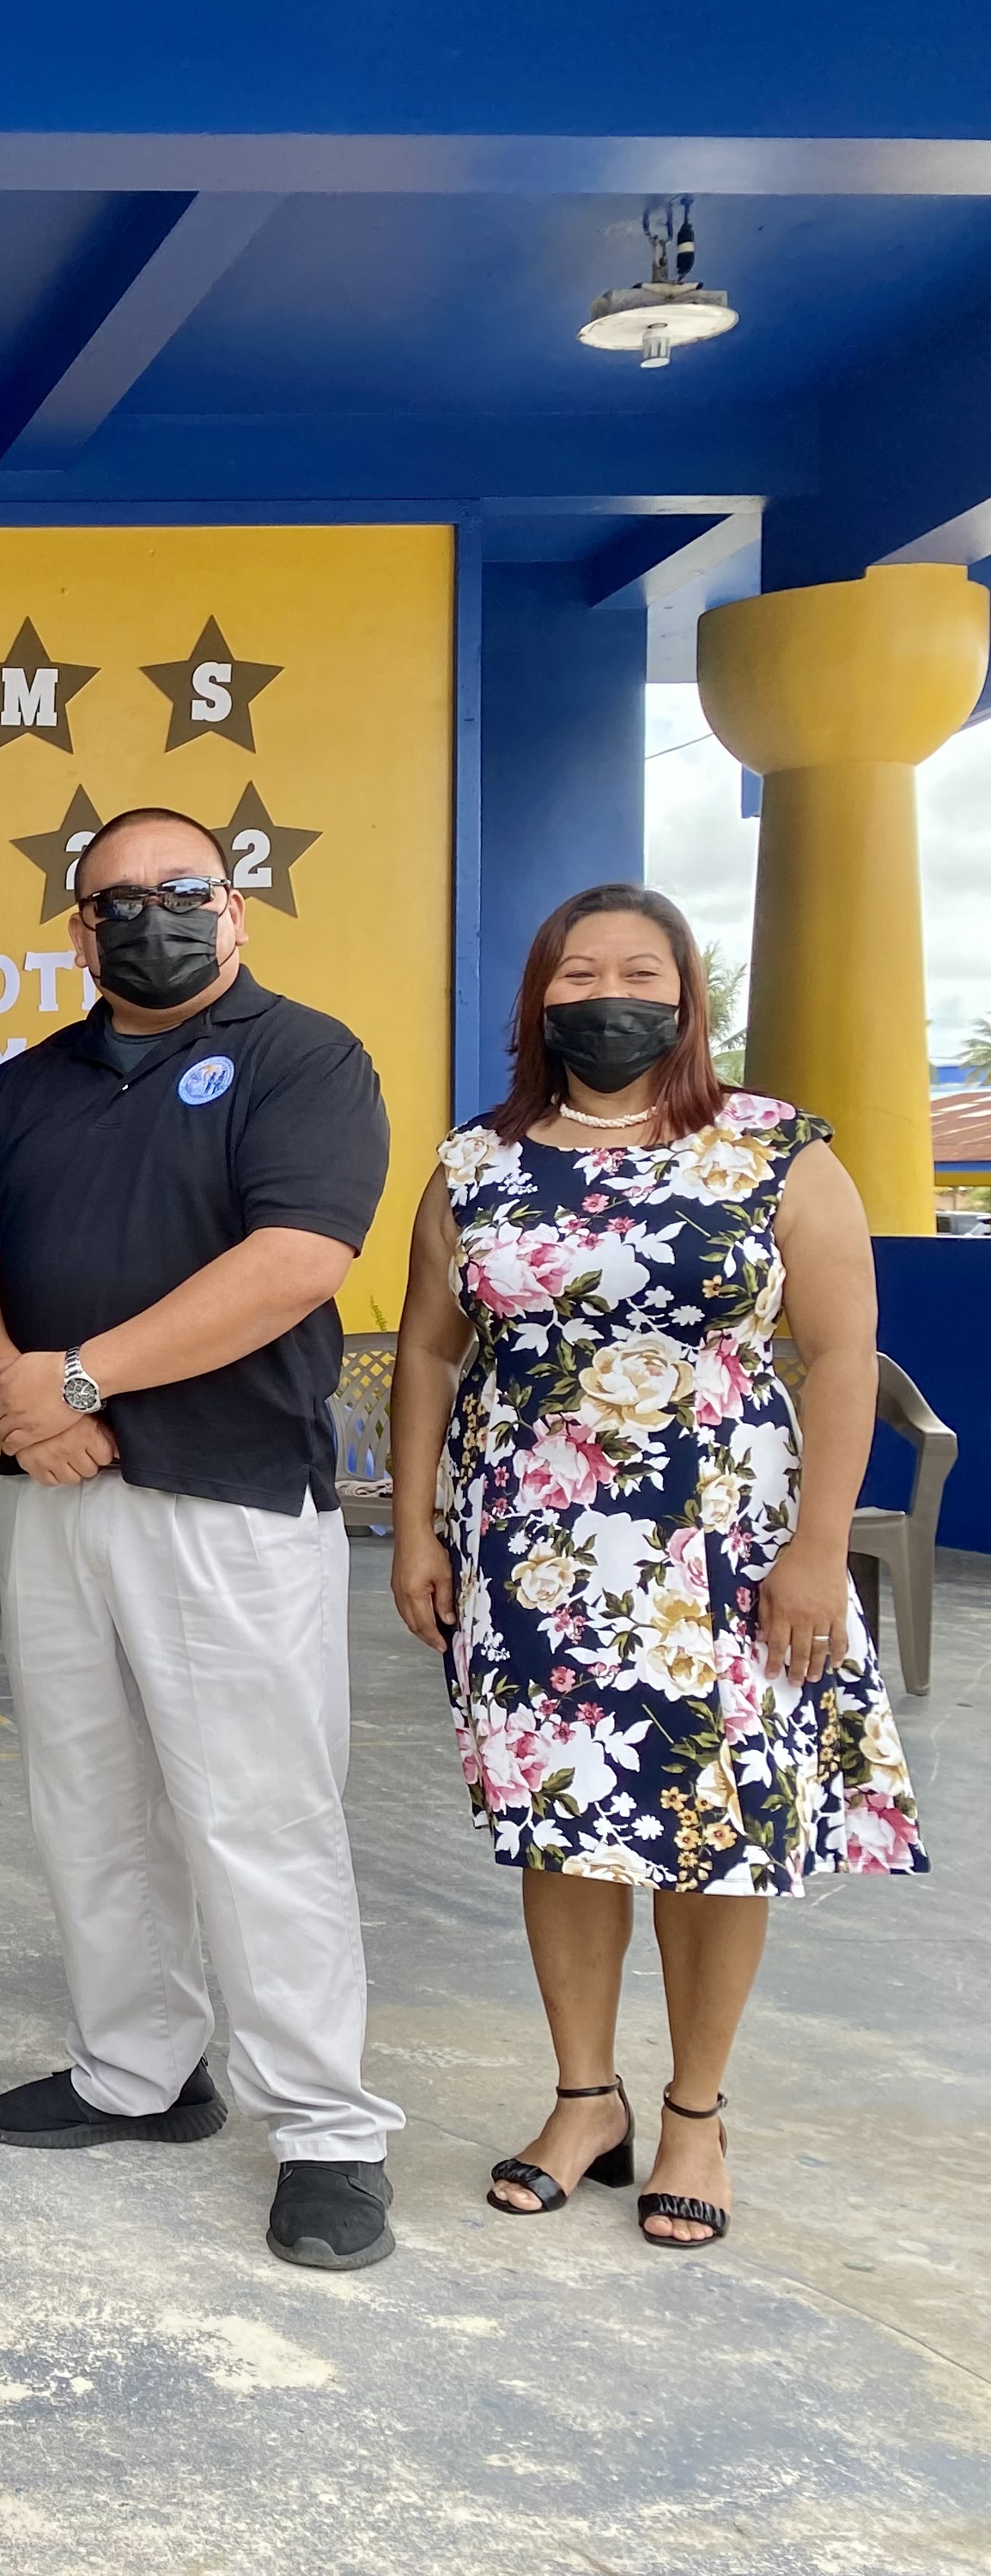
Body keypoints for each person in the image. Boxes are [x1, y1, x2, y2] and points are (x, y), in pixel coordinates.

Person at [388, 883, 923, 2250]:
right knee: (561, 1825)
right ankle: (586, 2099)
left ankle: (694, 2112)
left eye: (639, 969)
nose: (607, 993)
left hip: (724, 1554)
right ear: (539, 999)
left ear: (686, 995)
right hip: (534, 1553)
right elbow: (433, 1353)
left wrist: (817, 1554)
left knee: (710, 1832)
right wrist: (415, 1527)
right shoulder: (479, 1163)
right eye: (578, 972)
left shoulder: (775, 1152)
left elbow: (844, 1355)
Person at [0, 804, 404, 2272]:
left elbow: (292, 1262)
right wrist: (23, 1407)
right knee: (89, 1799)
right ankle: (137, 2069)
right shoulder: (16, 1091)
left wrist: (82, 1376)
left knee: (256, 1812)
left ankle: (326, 2124)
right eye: (113, 900)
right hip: (60, 1494)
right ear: (77, 931)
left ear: (236, 907)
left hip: (224, 1494)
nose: (147, 915)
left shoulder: (302, 1057)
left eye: (176, 889)